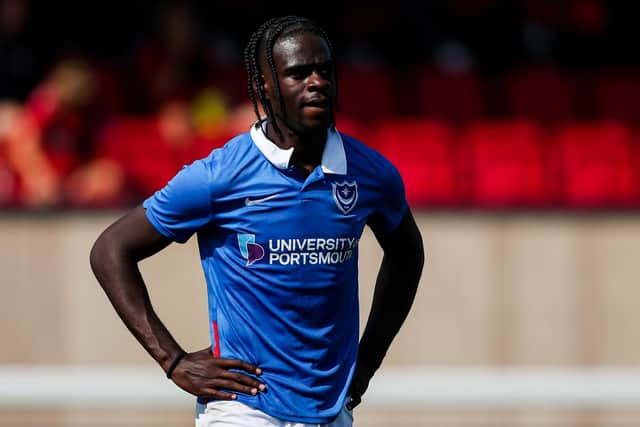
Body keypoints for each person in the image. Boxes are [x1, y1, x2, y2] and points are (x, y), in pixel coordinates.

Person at [90, 15, 424, 427]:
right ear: (263, 87)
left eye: (324, 70)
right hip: (242, 410)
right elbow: (110, 250)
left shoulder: (369, 173)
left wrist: (368, 360)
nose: (316, 82)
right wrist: (172, 359)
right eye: (298, 73)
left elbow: (408, 256)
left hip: (331, 410)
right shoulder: (220, 175)